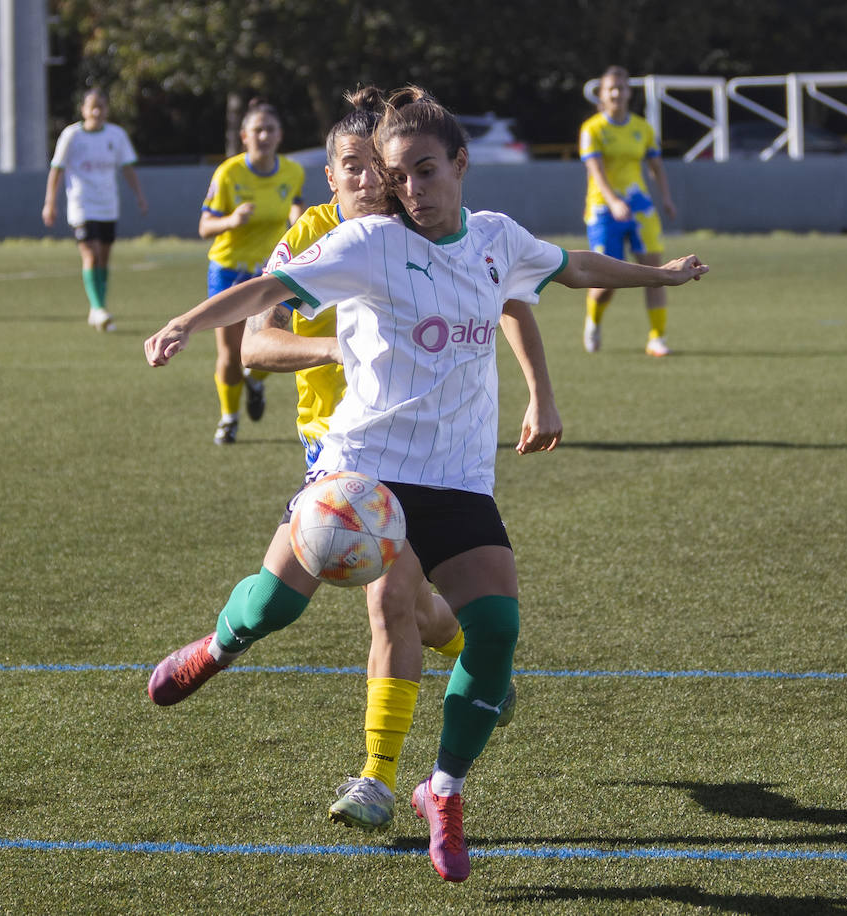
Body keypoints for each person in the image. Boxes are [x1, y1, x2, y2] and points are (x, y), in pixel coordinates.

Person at [143, 86, 708, 883]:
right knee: (276, 606)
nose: (411, 188)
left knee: (498, 630)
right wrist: (187, 322)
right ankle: (216, 646)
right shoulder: (370, 244)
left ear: (460, 165)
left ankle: (440, 790)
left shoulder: (498, 239)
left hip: (460, 478)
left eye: (425, 170)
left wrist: (664, 273)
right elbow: (268, 295)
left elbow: (574, 266)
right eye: (398, 174)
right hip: (365, 469)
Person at [238, 86, 532, 833]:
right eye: (355, 169)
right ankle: (463, 644)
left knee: (388, 602)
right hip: (335, 445)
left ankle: (376, 778)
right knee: (404, 607)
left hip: (424, 456)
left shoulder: (423, 218)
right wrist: (341, 345)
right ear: (331, 178)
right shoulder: (313, 232)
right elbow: (256, 343)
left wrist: (541, 391)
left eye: (385, 170)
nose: (376, 184)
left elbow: (507, 287)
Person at [198, 99, 306, 445]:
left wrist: (299, 218)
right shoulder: (228, 173)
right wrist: (231, 220)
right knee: (230, 355)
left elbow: (296, 205)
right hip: (229, 271)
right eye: (257, 130)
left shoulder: (292, 171)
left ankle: (256, 382)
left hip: (269, 274)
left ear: (279, 136)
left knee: (266, 348)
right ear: (244, 136)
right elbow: (204, 226)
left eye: (270, 130)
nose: (263, 135)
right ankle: (229, 419)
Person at [579, 65, 679, 356]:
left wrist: (667, 198)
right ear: (602, 94)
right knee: (605, 280)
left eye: (622, 88)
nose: (617, 93)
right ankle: (593, 322)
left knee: (655, 271)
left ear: (628, 93)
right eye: (611, 88)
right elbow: (595, 170)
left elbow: (656, 166)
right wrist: (613, 202)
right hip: (603, 210)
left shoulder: (643, 128)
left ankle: (657, 337)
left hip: (639, 208)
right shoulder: (593, 129)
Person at [42, 88, 148, 332]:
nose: (97, 111)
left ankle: (97, 307)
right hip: (81, 204)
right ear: (83, 110)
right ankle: (99, 307)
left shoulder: (116, 135)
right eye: (92, 107)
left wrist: (140, 196)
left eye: (101, 106)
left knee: (104, 257)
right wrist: (50, 202)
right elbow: (56, 169)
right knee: (90, 254)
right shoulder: (71, 135)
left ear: (107, 109)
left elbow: (127, 168)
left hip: (108, 205)